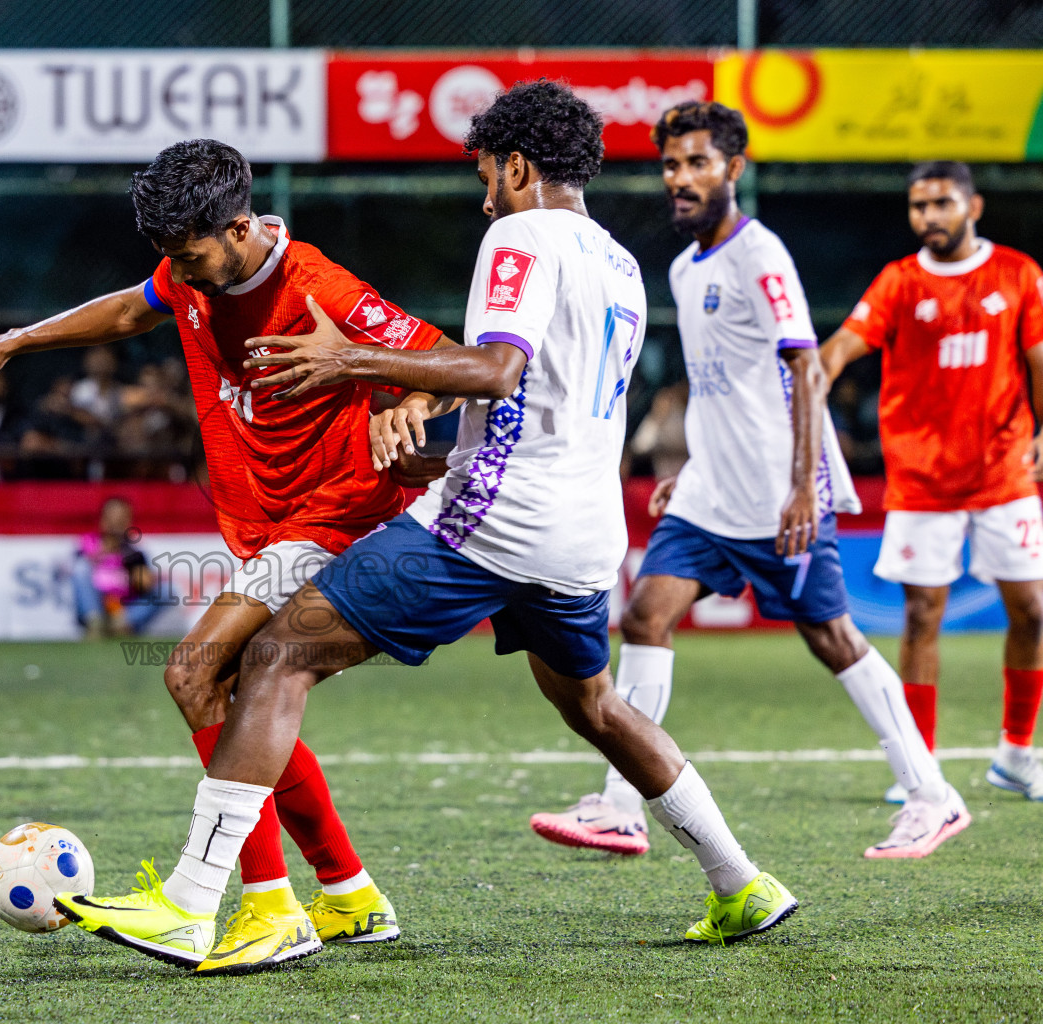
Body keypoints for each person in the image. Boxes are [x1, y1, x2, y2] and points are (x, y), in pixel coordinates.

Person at [55, 82, 798, 976]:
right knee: (598, 707)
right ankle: (740, 880)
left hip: (492, 528)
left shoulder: (520, 237)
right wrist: (436, 459)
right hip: (585, 534)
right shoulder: (621, 263)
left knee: (272, 659)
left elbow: (493, 370)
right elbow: (548, 411)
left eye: (487, 176)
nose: (485, 199)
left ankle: (196, 902)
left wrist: (349, 360)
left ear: (517, 166)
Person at [0, 138, 452, 972]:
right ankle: (348, 894)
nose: (179, 272)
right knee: (245, 702)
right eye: (168, 256)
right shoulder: (191, 269)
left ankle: (267, 908)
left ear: (239, 229)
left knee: (193, 673)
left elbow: (440, 357)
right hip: (269, 521)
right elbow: (130, 311)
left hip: (335, 512)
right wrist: (15, 341)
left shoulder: (316, 285)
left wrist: (410, 402)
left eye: (189, 255)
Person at [526, 101, 966, 862]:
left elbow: (805, 368)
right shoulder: (683, 267)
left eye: (698, 163)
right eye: (671, 165)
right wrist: (695, 466)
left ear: (733, 168)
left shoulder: (760, 255)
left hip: (776, 491)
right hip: (711, 494)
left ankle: (931, 795)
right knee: (647, 616)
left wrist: (804, 488)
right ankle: (622, 806)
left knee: (832, 636)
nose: (681, 178)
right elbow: (722, 386)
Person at [821, 160, 1043, 803]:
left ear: (974, 207)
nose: (929, 216)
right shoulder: (899, 281)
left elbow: (1038, 360)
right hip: (923, 477)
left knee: (1033, 609)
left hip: (1003, 469)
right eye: (919, 206)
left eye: (942, 203)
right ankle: (920, 766)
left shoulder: (1018, 273)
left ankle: (1017, 754)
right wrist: (817, 372)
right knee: (922, 615)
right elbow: (845, 344)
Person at [73, 497, 165, 637]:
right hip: (97, 604)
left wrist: (133, 566)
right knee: (81, 568)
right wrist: (104, 552)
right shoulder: (89, 543)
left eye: (121, 520)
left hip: (123, 610)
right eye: (111, 518)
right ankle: (95, 622)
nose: (115, 524)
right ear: (103, 520)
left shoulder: (134, 552)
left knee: (166, 591)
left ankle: (119, 625)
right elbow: (79, 575)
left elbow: (145, 585)